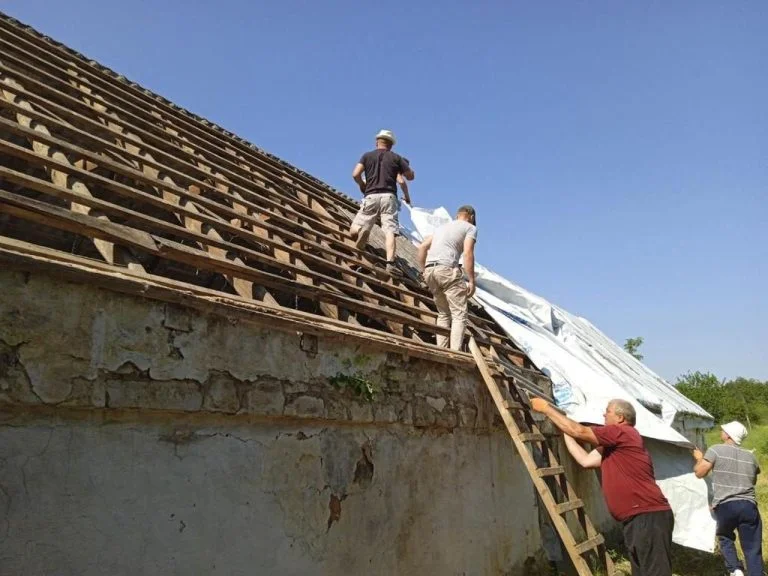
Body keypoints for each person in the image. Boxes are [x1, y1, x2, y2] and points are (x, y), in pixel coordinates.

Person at [530, 397, 674, 576]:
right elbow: (585, 460)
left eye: (608, 411)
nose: (604, 415)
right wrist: (565, 431)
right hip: (638, 519)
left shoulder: (622, 432)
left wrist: (546, 408)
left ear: (620, 418)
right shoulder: (615, 446)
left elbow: (579, 431)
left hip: (647, 516)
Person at [692, 421, 762, 576]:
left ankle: (735, 569)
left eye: (723, 430)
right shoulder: (751, 456)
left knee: (725, 537)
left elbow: (699, 473)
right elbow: (753, 481)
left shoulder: (715, 450)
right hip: (749, 505)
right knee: (752, 548)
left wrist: (699, 458)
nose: (720, 431)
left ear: (729, 435)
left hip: (726, 505)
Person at [350, 129, 414, 275]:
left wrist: (362, 185)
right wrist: (407, 195)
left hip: (371, 196)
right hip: (389, 197)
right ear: (391, 145)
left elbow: (355, 174)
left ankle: (361, 231)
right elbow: (407, 178)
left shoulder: (367, 156)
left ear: (376, 142)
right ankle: (390, 263)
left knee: (355, 228)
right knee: (390, 230)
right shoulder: (396, 158)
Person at [416, 206, 477, 350]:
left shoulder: (441, 228)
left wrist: (423, 271)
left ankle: (441, 350)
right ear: (472, 217)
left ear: (457, 215)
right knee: (459, 314)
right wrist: (471, 280)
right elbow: (468, 253)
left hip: (430, 271)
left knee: (443, 314)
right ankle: (454, 353)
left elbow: (423, 247)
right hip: (447, 269)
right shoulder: (470, 228)